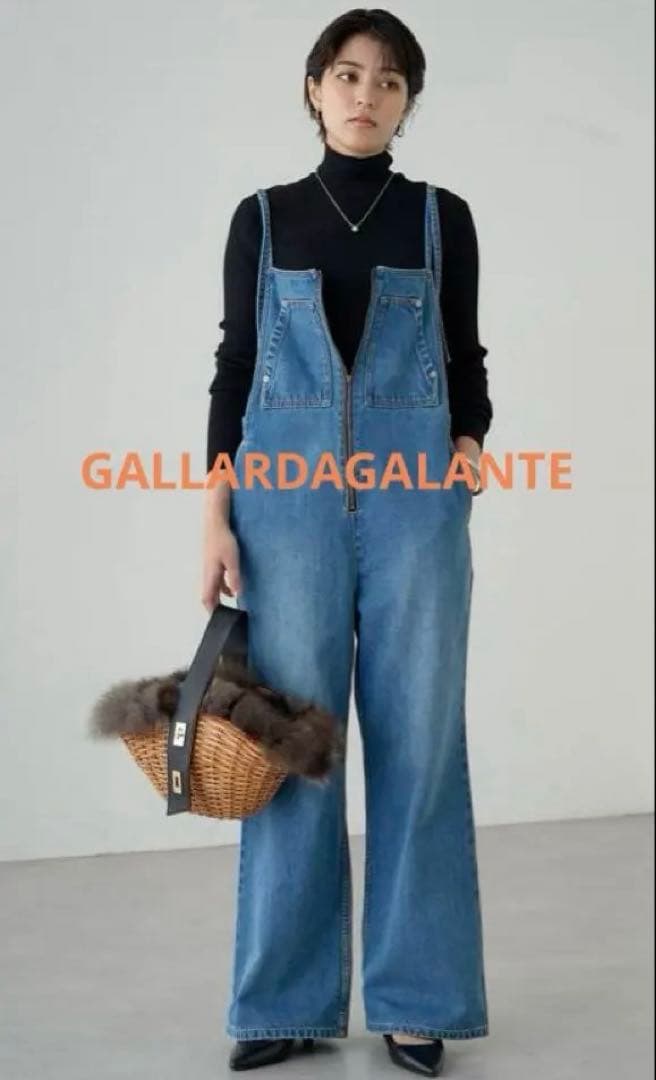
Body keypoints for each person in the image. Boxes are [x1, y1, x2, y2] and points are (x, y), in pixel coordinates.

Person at [202, 9, 492, 1076]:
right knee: (291, 748)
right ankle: (284, 1003)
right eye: (346, 74)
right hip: (283, 512)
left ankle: (420, 1001)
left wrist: (467, 449)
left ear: (407, 101)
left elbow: (465, 358)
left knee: (419, 746)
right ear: (313, 88)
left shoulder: (439, 218)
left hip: (416, 508)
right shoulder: (263, 219)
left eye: (389, 80)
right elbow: (235, 367)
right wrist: (214, 513)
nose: (365, 94)